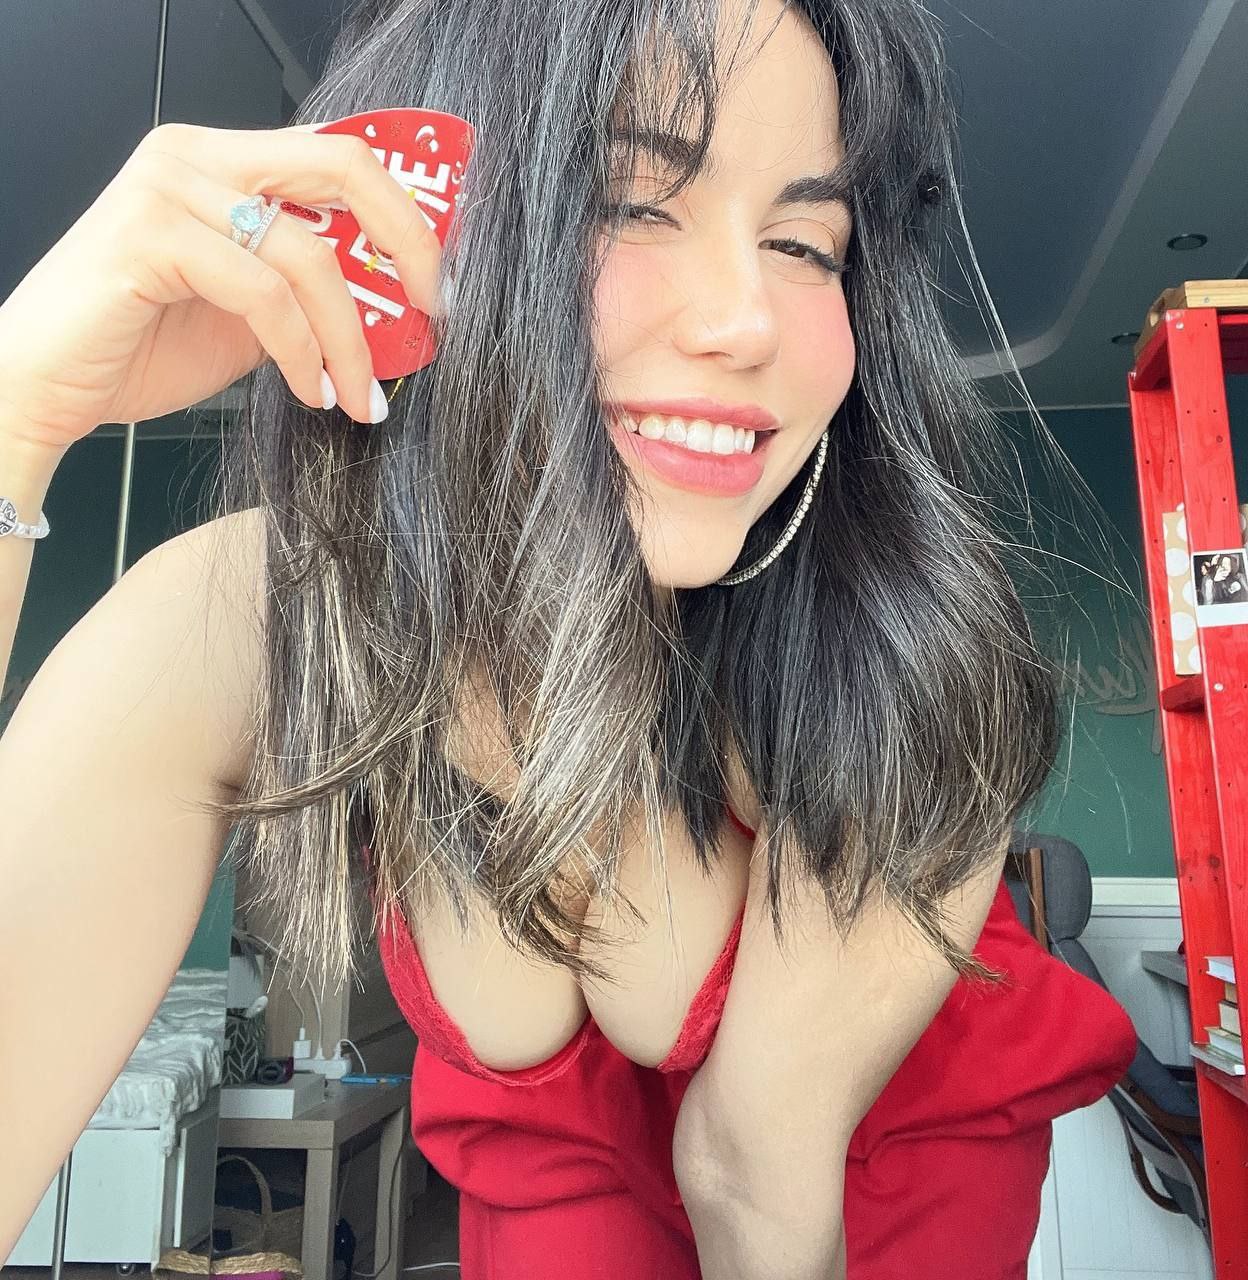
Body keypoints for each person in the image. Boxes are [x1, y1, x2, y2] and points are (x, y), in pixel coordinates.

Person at [0, 0, 1137, 1275]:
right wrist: (15, 417)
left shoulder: (895, 659)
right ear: (420, 227)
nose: (747, 321)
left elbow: (755, 1172)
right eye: (631, 204)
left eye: (804, 243)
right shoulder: (272, 606)